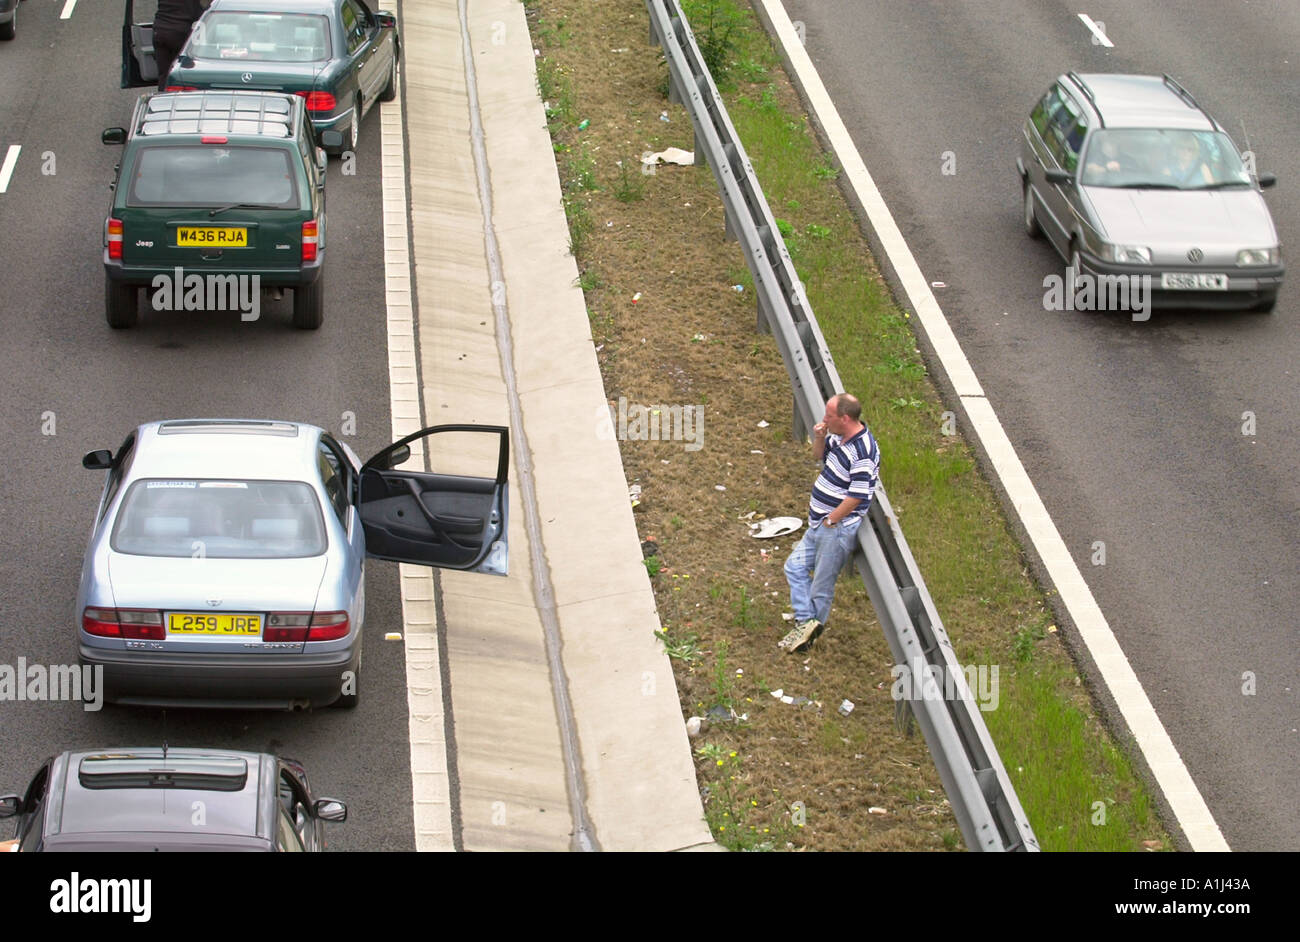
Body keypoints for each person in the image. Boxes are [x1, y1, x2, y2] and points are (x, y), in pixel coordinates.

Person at [780, 393, 880, 653]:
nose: (824, 419)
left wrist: (832, 520)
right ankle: (806, 622)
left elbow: (857, 495)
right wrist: (821, 437)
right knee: (794, 567)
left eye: (829, 416)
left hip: (835, 528)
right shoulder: (838, 437)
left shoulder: (863, 451)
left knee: (821, 586)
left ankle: (807, 637)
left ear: (845, 418)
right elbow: (818, 458)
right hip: (819, 523)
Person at [153, 0, 210, 91]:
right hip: (180, 32)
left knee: (163, 74)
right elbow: (199, 12)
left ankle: (162, 99)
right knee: (184, 73)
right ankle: (180, 100)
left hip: (160, 31)